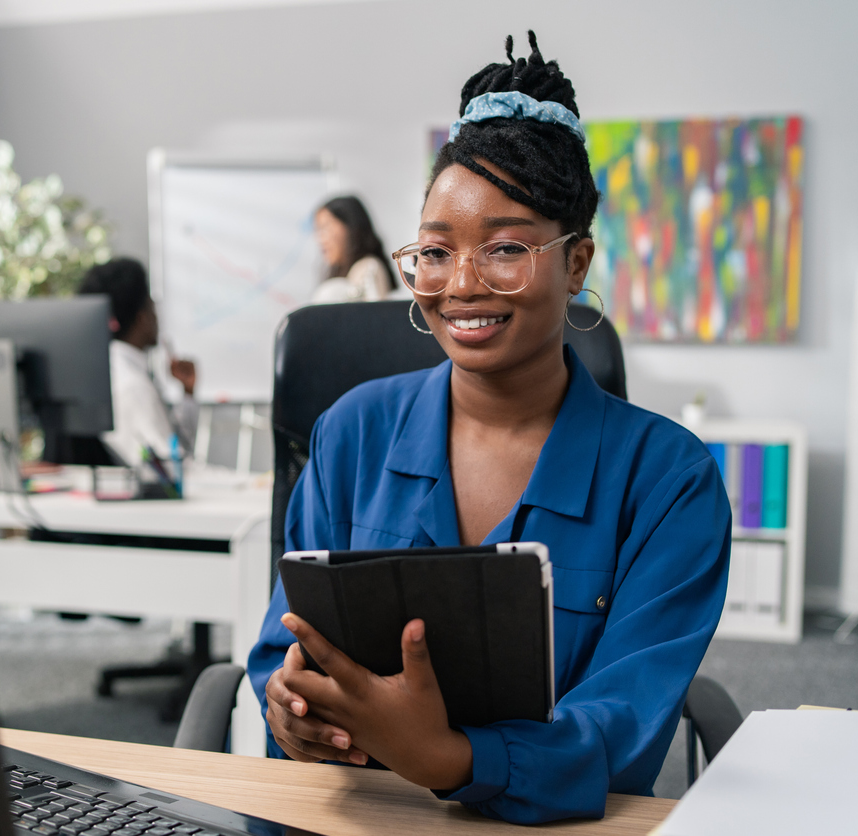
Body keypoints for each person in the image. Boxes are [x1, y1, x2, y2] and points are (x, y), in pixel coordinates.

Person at [247, 33, 730, 824]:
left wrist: (452, 759)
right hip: (357, 814)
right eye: (436, 251)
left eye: (506, 247)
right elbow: (281, 650)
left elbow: (624, 727)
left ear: (576, 265)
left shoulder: (668, 479)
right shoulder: (351, 433)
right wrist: (288, 708)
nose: (462, 284)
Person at [79, 258, 198, 467]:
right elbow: (173, 468)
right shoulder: (132, 384)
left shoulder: (107, 367)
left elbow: (173, 444)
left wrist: (187, 394)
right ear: (142, 317)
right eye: (152, 305)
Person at [310, 195, 394, 303]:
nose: (319, 239)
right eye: (317, 230)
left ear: (350, 226)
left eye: (325, 227)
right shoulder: (344, 272)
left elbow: (376, 316)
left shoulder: (369, 268)